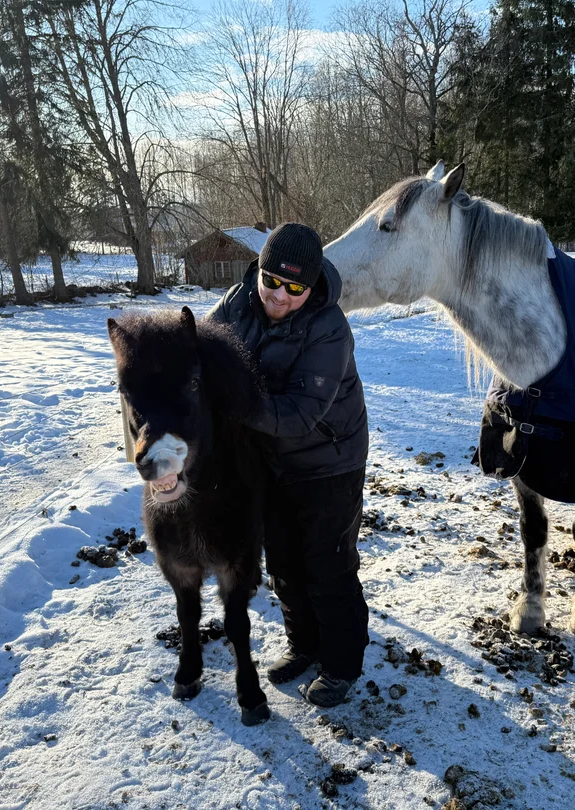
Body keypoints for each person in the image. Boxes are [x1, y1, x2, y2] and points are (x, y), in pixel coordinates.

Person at [207, 223, 369, 707]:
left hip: (328, 459)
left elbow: (300, 413)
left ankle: (341, 663)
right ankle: (305, 644)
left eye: (295, 288)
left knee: (328, 562)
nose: (280, 296)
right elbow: (201, 350)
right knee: (282, 562)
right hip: (269, 460)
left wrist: (235, 404)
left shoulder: (329, 327)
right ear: (259, 270)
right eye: (272, 281)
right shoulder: (237, 303)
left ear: (312, 285)